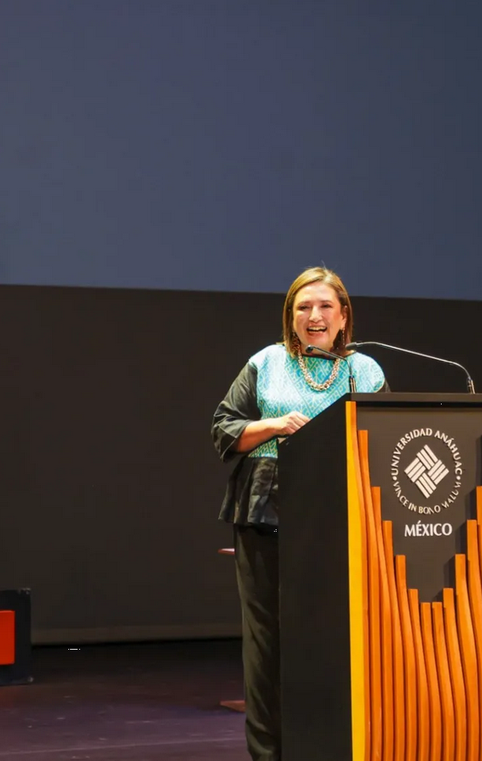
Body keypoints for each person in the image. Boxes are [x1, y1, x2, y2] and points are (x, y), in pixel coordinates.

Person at [210, 266, 386, 761]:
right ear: (290, 316)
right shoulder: (266, 363)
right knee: (269, 646)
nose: (314, 315)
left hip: (343, 514)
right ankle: (270, 754)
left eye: (325, 306)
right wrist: (272, 425)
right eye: (303, 307)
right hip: (268, 510)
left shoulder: (366, 371)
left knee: (336, 640)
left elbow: (386, 438)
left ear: (343, 315)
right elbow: (223, 429)